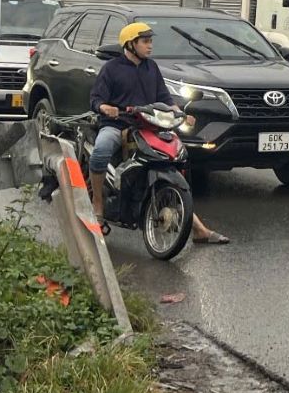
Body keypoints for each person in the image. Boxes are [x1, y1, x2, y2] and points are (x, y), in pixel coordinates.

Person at [89, 23, 230, 245]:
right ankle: (97, 204)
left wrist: (181, 114)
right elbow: (96, 99)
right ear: (130, 44)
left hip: (148, 126)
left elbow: (165, 98)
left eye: (150, 41)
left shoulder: (151, 67)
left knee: (174, 157)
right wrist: (105, 108)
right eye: (145, 41)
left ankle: (198, 229)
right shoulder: (111, 68)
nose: (150, 46)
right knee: (101, 150)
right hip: (118, 125)